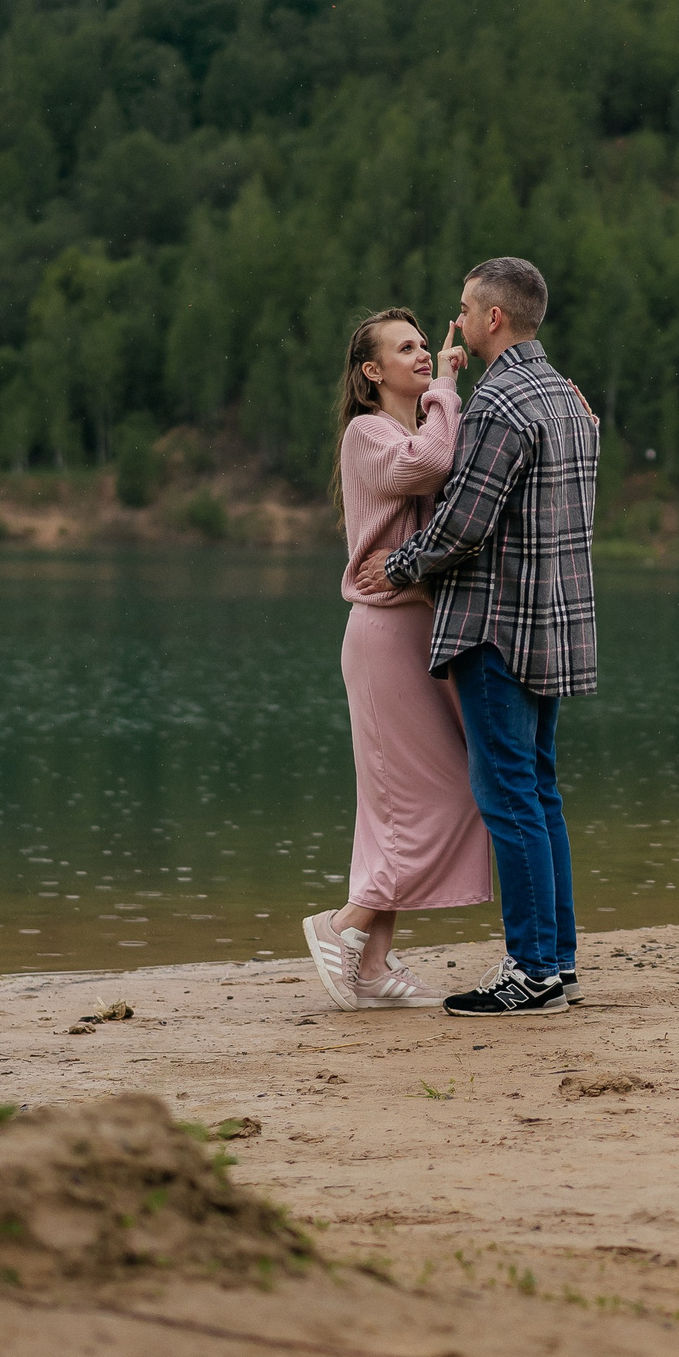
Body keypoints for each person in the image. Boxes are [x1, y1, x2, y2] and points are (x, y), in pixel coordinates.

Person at [354, 256, 600, 1018]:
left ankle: (529, 971)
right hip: (556, 625)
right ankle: (556, 964)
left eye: (461, 309)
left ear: (492, 319)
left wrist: (395, 565)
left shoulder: (497, 404)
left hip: (497, 628)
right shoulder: (567, 399)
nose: (452, 323)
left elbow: (463, 524)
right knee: (541, 792)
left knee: (508, 798)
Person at [301, 308, 490, 1012]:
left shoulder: (414, 428)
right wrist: (445, 384)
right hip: (384, 635)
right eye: (403, 347)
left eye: (422, 343)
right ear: (370, 371)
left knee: (402, 805)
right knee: (422, 796)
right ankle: (343, 924)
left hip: (422, 633)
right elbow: (434, 464)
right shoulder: (369, 432)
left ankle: (374, 961)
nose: (420, 352)